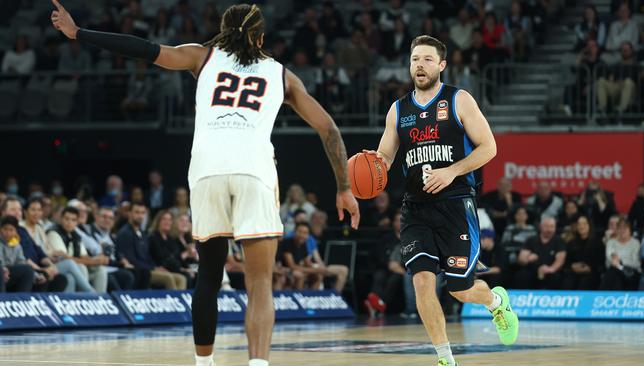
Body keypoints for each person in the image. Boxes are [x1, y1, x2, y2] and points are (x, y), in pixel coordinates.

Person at [51, 4, 359, 366]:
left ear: (222, 31)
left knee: (209, 276)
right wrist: (343, 186)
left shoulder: (202, 56)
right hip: (254, 172)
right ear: (261, 37)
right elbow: (330, 130)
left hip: (207, 172)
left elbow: (143, 48)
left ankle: (204, 363)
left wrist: (79, 33)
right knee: (259, 284)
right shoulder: (283, 76)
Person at [363, 35, 518, 366]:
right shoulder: (398, 110)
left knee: (459, 290)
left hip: (456, 203)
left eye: (427, 59)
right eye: (415, 59)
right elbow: (384, 158)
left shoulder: (459, 100)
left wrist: (452, 171)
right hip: (415, 209)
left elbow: (489, 147)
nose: (419, 65)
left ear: (442, 65)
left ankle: (494, 302)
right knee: (421, 282)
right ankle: (445, 358)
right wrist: (368, 166)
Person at [513, 217, 566, 289]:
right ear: (541, 227)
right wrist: (528, 259)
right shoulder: (531, 240)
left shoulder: (559, 241)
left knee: (555, 277)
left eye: (552, 227)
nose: (549, 229)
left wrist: (550, 269)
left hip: (550, 270)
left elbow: (560, 259)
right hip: (532, 270)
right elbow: (521, 258)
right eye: (546, 226)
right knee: (522, 275)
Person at [562, 215, 604, 290]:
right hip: (574, 272)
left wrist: (590, 268)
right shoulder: (572, 243)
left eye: (584, 224)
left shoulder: (597, 242)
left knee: (585, 282)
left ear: (589, 225)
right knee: (567, 281)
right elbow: (567, 261)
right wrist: (572, 266)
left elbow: (601, 262)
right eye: (579, 224)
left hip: (591, 273)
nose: (581, 226)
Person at [600, 218, 641, 290]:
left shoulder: (635, 243)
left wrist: (621, 262)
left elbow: (637, 263)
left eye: (625, 227)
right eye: (619, 227)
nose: (622, 230)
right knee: (615, 275)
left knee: (613, 273)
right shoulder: (611, 242)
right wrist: (616, 264)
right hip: (614, 271)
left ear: (630, 229)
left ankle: (601, 296)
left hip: (630, 272)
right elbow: (608, 262)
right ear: (617, 229)